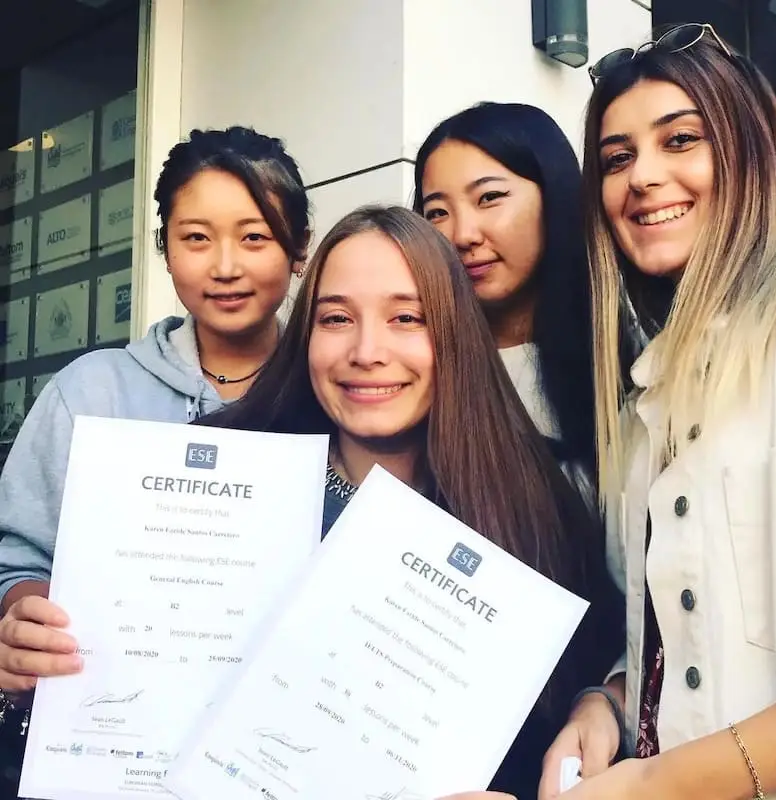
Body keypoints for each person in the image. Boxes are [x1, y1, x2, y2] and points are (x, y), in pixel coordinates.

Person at [199, 205, 623, 799]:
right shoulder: (231, 488)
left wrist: (599, 705)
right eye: (337, 318)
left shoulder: (534, 507)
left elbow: (604, 672)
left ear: (453, 334)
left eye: (406, 317)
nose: (367, 350)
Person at [539, 23, 776, 800]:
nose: (642, 177)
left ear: (752, 156)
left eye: (679, 140)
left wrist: (650, 786)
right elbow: (683, 642)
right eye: (617, 158)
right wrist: (608, 704)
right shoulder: (644, 392)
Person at [0, 126, 309, 711]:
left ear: (299, 250)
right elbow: (18, 556)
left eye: (254, 237)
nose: (224, 266)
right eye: (196, 238)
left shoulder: (332, 393)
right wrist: (26, 615)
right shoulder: (92, 392)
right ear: (165, 247)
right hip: (109, 724)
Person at [414, 102, 622, 486]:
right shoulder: (418, 367)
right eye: (437, 212)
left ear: (554, 195)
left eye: (489, 198)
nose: (462, 235)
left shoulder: (625, 353)